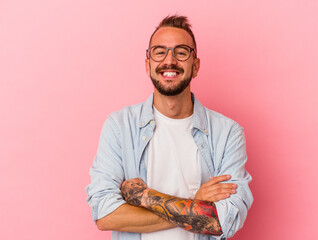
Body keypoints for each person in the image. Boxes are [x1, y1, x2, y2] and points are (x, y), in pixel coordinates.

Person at [86, 15, 253, 240]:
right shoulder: (119, 126)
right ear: (148, 64)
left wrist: (146, 197)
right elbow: (105, 214)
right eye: (159, 52)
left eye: (181, 52)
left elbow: (225, 220)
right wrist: (196, 203)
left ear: (195, 66)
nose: (170, 60)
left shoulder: (228, 133)